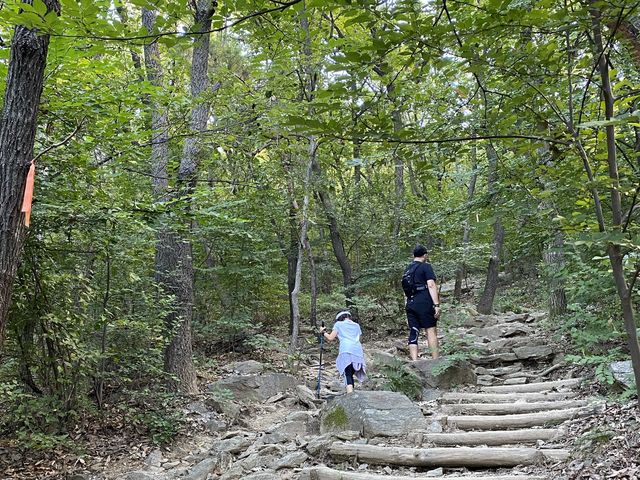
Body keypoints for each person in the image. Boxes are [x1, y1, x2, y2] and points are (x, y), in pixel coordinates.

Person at [404, 244, 441, 361]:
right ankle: (435, 360)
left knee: (414, 330)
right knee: (430, 329)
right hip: (424, 301)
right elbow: (431, 285)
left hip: (410, 302)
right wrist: (436, 305)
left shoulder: (407, 269)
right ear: (425, 255)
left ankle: (414, 361)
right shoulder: (426, 267)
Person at [319, 310, 367, 393]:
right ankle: (351, 393)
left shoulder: (338, 324)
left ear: (339, 318)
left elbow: (330, 338)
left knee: (347, 373)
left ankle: (350, 395)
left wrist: (323, 332)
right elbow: (358, 338)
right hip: (357, 350)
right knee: (351, 373)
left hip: (346, 350)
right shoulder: (356, 325)